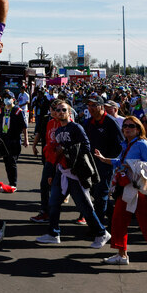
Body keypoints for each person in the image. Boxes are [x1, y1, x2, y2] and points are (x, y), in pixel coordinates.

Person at [94, 116, 147, 271]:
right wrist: (104, 159)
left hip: (139, 190)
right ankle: (122, 255)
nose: (127, 128)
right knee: (118, 220)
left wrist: (132, 166)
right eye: (125, 126)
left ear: (138, 128)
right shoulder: (126, 144)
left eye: (132, 126)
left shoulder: (142, 144)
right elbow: (120, 161)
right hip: (127, 189)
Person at [34, 101, 111, 249]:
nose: (60, 112)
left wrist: (66, 149)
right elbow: (54, 155)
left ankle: (102, 232)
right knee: (53, 203)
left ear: (70, 113)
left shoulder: (76, 127)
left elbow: (86, 146)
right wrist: (51, 170)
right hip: (61, 172)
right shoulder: (57, 131)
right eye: (57, 110)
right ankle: (53, 234)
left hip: (75, 173)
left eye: (64, 109)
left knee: (85, 206)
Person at [83, 95, 122, 217]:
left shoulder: (111, 122)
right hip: (91, 164)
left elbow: (120, 145)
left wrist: (108, 160)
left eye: (94, 105)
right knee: (95, 193)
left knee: (101, 195)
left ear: (101, 106)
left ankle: (99, 228)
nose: (90, 108)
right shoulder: (88, 122)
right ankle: (114, 218)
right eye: (89, 105)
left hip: (105, 164)